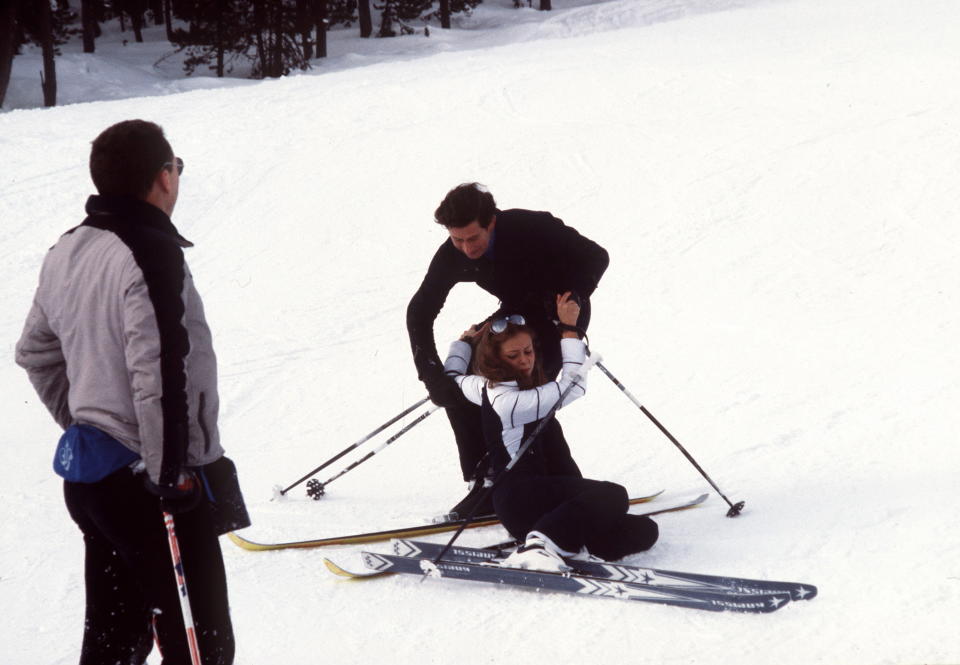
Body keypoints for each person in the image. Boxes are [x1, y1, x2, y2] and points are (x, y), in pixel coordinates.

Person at [15, 119, 245, 665]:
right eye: (176, 167)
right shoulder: (149, 249)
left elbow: (34, 352)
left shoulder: (69, 247)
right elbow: (161, 368)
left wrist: (89, 422)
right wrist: (168, 473)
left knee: (116, 642)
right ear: (163, 177)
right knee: (200, 648)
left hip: (97, 483)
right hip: (154, 487)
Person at [407, 183, 610, 518]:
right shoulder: (453, 252)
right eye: (458, 239)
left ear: (492, 222)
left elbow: (596, 256)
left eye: (473, 238)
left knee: (521, 394)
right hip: (517, 312)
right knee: (461, 381)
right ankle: (485, 481)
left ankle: (557, 481)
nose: (466, 248)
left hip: (559, 313)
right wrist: (431, 374)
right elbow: (420, 310)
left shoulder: (532, 227)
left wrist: (572, 296)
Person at [443, 292, 658, 570]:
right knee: (614, 495)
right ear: (495, 359)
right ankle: (540, 545)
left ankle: (565, 545)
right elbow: (574, 386)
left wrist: (463, 343)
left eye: (528, 351)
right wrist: (570, 331)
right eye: (513, 355)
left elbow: (453, 377)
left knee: (643, 530)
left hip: (544, 501)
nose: (524, 360)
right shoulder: (508, 400)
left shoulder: (482, 386)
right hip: (522, 500)